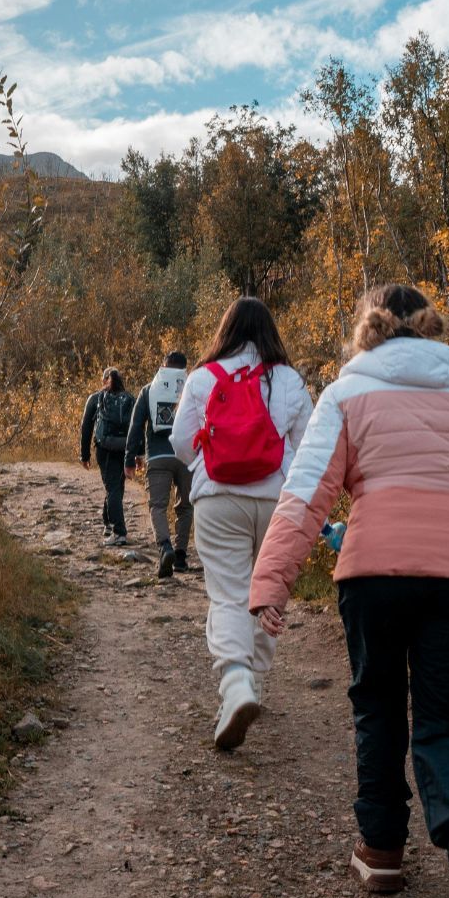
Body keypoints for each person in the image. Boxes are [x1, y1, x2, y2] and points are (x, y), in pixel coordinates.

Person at [246, 284, 449, 898]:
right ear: (431, 327)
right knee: (446, 718)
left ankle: (380, 853)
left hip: (373, 571)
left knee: (377, 704)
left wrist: (272, 582)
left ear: (367, 329)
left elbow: (308, 492)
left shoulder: (348, 393)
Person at [168, 298, 313, 750]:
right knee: (267, 593)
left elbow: (178, 441)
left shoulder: (201, 378)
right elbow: (309, 447)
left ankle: (236, 685)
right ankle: (254, 682)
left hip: (218, 500)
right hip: (277, 503)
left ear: (225, 331)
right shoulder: (289, 379)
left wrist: (209, 468)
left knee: (229, 594)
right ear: (270, 332)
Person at [124, 350, 195, 578]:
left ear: (163, 365)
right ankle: (181, 556)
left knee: (157, 506)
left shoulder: (149, 390)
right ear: (185, 368)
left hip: (157, 456)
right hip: (186, 456)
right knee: (185, 506)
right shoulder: (191, 388)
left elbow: (135, 427)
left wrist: (130, 459)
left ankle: (165, 547)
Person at [79, 368, 136, 546]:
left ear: (104, 380)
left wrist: (85, 454)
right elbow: (137, 428)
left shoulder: (95, 399)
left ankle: (119, 533)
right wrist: (137, 452)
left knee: (112, 488)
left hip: (105, 449)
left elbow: (86, 428)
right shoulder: (129, 398)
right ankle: (108, 524)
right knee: (115, 486)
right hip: (125, 448)